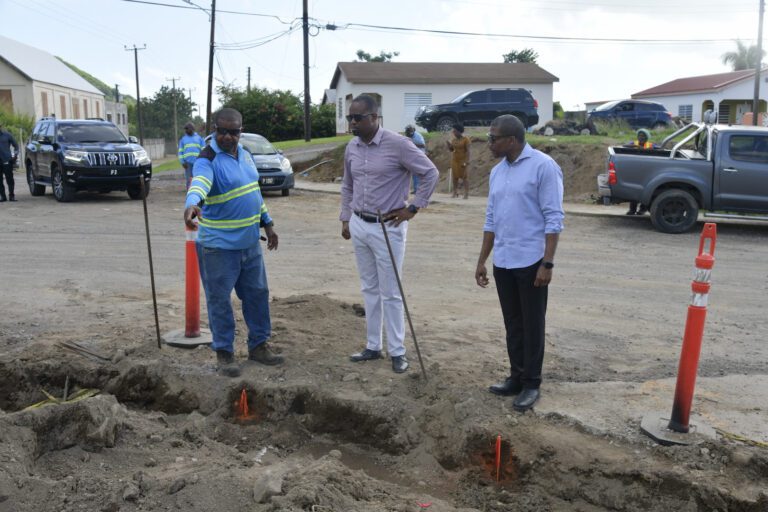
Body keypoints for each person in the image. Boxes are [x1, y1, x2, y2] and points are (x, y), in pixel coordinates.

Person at [341, 95, 439, 374]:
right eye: (350, 118)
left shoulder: (398, 145)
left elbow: (430, 173)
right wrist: (345, 218)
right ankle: (373, 346)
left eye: (357, 118)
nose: (352, 123)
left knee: (391, 292)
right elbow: (347, 185)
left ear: (374, 118)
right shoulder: (352, 147)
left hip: (388, 227)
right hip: (360, 223)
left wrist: (414, 207)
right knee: (369, 289)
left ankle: (397, 350)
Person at [183, 108, 283, 378]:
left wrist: (268, 223)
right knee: (220, 301)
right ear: (214, 129)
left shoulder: (247, 155)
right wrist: (192, 205)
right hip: (218, 248)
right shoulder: (207, 158)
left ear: (241, 130)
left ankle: (259, 346)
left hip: (250, 244)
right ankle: (224, 353)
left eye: (234, 131)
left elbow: (254, 192)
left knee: (257, 295)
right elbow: (199, 184)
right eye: (222, 131)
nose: (228, 136)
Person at [475, 115, 564, 412]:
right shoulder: (497, 173)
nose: (490, 143)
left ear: (511, 140)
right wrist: (482, 260)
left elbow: (554, 218)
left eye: (494, 138)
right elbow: (491, 219)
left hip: (531, 260)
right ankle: (515, 376)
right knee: (513, 323)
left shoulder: (543, 167)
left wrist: (547, 263)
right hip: (504, 260)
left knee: (532, 323)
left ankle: (531, 383)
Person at [623, 129, 656, 215]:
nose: (641, 137)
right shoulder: (633, 143)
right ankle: (632, 209)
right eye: (640, 136)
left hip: (647, 171)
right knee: (634, 190)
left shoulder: (651, 145)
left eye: (644, 136)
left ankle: (642, 209)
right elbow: (624, 146)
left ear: (647, 138)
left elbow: (660, 150)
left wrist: (643, 149)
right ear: (637, 137)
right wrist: (635, 147)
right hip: (636, 170)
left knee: (646, 191)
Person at [178, 122, 205, 189]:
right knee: (189, 179)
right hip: (187, 163)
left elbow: (203, 150)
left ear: (192, 129)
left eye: (187, 129)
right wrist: (182, 162)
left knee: (198, 178)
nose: (186, 130)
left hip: (198, 162)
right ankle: (189, 192)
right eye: (185, 129)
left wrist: (202, 161)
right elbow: (180, 152)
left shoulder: (199, 138)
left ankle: (198, 191)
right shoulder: (183, 139)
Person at [447, 123, 470, 199]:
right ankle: (455, 192)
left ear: (460, 131)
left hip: (462, 160)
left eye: (455, 131)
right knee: (455, 177)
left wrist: (466, 161)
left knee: (464, 177)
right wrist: (449, 145)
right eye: (453, 131)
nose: (454, 133)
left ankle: (466, 193)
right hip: (455, 160)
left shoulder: (466, 139)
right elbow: (452, 150)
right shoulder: (454, 140)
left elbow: (468, 151)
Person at [0, 122, 19, 202]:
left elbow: (16, 145)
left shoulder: (7, 135)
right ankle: (3, 197)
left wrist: (15, 155)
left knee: (10, 179)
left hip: (7, 160)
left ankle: (12, 196)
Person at [404, 124, 427, 193]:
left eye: (410, 131)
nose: (408, 133)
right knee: (414, 174)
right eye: (407, 131)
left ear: (413, 130)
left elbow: (423, 145)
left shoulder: (418, 136)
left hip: (420, 156)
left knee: (418, 173)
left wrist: (412, 144)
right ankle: (416, 189)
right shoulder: (408, 135)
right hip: (413, 156)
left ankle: (420, 190)